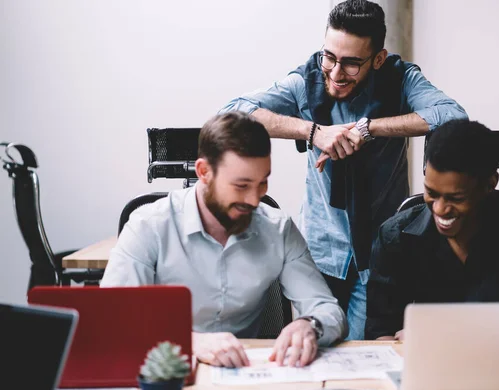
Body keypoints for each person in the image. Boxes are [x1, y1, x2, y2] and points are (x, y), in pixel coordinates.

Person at [220, 0, 468, 340]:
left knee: (364, 354)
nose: (336, 74)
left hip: (379, 254)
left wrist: (368, 129)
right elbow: (233, 112)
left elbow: (453, 116)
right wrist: (313, 132)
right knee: (313, 350)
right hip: (320, 251)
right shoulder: (306, 81)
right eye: (330, 57)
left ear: (378, 59)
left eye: (352, 64)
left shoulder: (401, 79)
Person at [101, 112, 347, 368]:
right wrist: (191, 342)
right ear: (204, 172)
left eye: (262, 183)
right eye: (241, 186)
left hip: (244, 373)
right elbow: (112, 321)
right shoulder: (148, 226)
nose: (254, 200)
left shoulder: (279, 229)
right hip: (167, 370)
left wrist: (310, 325)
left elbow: (328, 310)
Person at [365, 119, 499, 340]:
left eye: (456, 198)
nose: (440, 209)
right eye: (431, 193)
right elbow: (380, 336)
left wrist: (441, 333)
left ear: (490, 185)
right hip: (428, 369)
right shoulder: (395, 237)